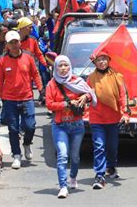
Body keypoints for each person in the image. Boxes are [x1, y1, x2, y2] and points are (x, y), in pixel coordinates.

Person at [46, 55, 97, 199]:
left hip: (77, 126)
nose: (63, 69)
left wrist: (85, 97)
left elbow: (90, 93)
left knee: (74, 157)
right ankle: (63, 186)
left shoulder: (77, 81)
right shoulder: (51, 84)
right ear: (55, 68)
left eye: (65, 65)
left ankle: (73, 177)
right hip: (60, 125)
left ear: (70, 67)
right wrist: (66, 104)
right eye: (60, 66)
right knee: (62, 156)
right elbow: (49, 104)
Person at [0, 31, 43, 169]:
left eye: (16, 42)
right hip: (9, 99)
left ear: (20, 42)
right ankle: (16, 155)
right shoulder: (3, 60)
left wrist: (41, 90)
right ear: (7, 45)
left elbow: (36, 74)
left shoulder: (28, 57)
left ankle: (27, 143)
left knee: (30, 126)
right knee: (13, 129)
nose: (14, 45)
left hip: (27, 98)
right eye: (11, 43)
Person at [87, 52, 129, 189]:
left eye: (104, 59)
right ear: (95, 63)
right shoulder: (91, 78)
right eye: (99, 60)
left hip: (113, 118)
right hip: (97, 118)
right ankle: (99, 175)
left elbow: (123, 95)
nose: (102, 62)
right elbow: (87, 95)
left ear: (108, 61)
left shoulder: (117, 77)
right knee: (99, 146)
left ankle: (111, 166)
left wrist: (125, 112)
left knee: (112, 146)